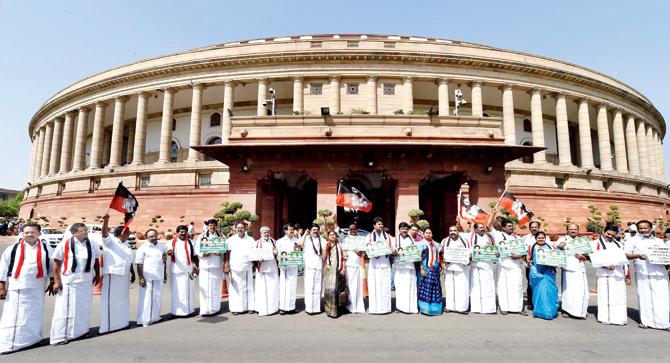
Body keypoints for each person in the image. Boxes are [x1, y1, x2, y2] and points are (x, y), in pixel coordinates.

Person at [0, 223, 53, 353]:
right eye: (26, 232)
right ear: (22, 234)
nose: (29, 235)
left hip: (38, 287)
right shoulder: (13, 249)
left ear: (39, 234)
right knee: (14, 315)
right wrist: (2, 287)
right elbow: (3, 268)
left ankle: (32, 339)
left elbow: (51, 266)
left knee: (34, 314)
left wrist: (53, 281)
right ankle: (9, 344)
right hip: (18, 286)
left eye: (32, 232)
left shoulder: (46, 248)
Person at [50, 223, 101, 345]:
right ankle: (59, 336)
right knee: (65, 310)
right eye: (83, 230)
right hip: (70, 281)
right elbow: (56, 264)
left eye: (86, 230)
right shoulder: (64, 244)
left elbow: (96, 261)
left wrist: (98, 275)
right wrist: (56, 281)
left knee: (83, 308)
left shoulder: (92, 243)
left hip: (86, 280)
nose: (86, 232)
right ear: (74, 233)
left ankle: (81, 332)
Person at [625, 220, 670, 330]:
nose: (643, 230)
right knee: (645, 297)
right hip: (643, 272)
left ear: (651, 228)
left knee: (662, 297)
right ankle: (646, 321)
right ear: (637, 229)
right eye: (641, 228)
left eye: (645, 228)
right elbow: (626, 254)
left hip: (659, 272)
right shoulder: (632, 240)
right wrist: (637, 255)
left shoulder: (659, 241)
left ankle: (663, 322)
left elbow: (665, 254)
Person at [99, 214, 135, 334]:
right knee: (111, 301)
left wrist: (132, 272)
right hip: (113, 274)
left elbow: (128, 260)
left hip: (124, 276)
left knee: (122, 300)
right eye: (128, 231)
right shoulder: (111, 242)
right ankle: (107, 327)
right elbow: (104, 234)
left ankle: (121, 323)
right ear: (123, 232)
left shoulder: (127, 244)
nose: (130, 233)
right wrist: (106, 221)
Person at [594, 225, 630, 325]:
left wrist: (627, 275)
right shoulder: (595, 244)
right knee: (604, 296)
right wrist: (605, 266)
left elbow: (625, 261)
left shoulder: (619, 244)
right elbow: (593, 258)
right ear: (603, 231)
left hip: (619, 274)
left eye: (613, 235)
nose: (610, 236)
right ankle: (605, 318)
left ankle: (619, 318)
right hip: (604, 274)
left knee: (619, 296)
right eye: (608, 234)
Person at [492, 218, 527, 316]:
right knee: (503, 287)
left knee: (517, 287)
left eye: (512, 226)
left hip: (515, 265)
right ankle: (504, 308)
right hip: (502, 265)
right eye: (509, 226)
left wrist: (518, 256)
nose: (511, 228)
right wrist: (494, 214)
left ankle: (518, 308)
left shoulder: (517, 238)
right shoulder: (498, 235)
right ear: (503, 227)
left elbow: (524, 252)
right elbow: (488, 225)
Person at [555, 223, 588, 319]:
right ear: (567, 231)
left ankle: (580, 312)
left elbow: (589, 255)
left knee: (580, 291)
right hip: (567, 269)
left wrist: (584, 256)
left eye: (575, 229)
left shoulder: (582, 241)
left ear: (578, 231)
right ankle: (567, 310)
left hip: (579, 268)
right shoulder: (562, 240)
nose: (573, 231)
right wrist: (559, 247)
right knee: (568, 291)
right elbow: (555, 253)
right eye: (571, 229)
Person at [135, 228, 168, 327]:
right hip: (147, 277)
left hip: (159, 276)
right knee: (146, 299)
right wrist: (141, 277)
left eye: (154, 235)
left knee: (157, 297)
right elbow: (139, 264)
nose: (153, 238)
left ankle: (155, 317)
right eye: (151, 236)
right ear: (146, 237)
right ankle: (144, 319)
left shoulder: (161, 247)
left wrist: (165, 273)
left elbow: (164, 260)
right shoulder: (143, 248)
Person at [464, 222, 497, 314]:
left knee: (488, 286)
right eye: (480, 227)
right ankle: (476, 308)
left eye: (483, 227)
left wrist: (496, 253)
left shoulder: (489, 237)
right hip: (475, 265)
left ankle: (489, 308)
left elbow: (494, 248)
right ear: (475, 229)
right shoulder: (470, 237)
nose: (483, 229)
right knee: (475, 288)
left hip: (487, 265)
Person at [167, 225, 199, 317]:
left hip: (188, 270)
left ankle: (189, 311)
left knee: (189, 290)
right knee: (176, 291)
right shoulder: (171, 242)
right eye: (181, 231)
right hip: (176, 271)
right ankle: (176, 312)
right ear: (177, 232)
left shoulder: (191, 242)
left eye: (185, 231)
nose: (183, 233)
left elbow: (194, 256)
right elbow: (169, 251)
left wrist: (198, 267)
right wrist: (169, 252)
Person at [225, 222, 255, 315]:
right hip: (235, 266)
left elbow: (254, 253)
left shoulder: (251, 239)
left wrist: (254, 264)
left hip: (248, 266)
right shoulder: (230, 240)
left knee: (248, 287)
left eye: (242, 228)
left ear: (245, 229)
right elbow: (226, 253)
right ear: (235, 229)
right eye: (238, 228)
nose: (240, 229)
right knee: (236, 288)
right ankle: (236, 308)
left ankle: (250, 307)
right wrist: (226, 265)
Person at [366, 217, 394, 314]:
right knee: (374, 286)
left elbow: (393, 249)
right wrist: (373, 253)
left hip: (385, 264)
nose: (381, 225)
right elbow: (367, 249)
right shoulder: (369, 236)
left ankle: (385, 308)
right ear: (374, 225)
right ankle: (374, 308)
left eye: (382, 224)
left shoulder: (388, 237)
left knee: (385, 286)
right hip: (374, 264)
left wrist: (393, 251)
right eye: (379, 224)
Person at [528, 232, 559, 320]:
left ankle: (551, 311)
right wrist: (530, 264)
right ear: (536, 239)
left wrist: (556, 263)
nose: (541, 239)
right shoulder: (532, 247)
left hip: (548, 272)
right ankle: (540, 311)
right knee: (539, 292)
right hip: (537, 273)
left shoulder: (550, 247)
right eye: (539, 238)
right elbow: (527, 259)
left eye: (543, 238)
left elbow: (556, 257)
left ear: (545, 238)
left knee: (551, 291)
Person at [196, 219, 224, 316]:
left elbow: (224, 249)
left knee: (216, 286)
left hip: (216, 265)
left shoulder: (221, 236)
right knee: (205, 286)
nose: (212, 227)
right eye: (210, 225)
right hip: (205, 265)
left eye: (214, 225)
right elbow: (197, 250)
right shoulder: (202, 236)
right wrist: (203, 254)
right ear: (208, 226)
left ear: (216, 226)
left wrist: (220, 252)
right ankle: (205, 309)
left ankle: (215, 308)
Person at [441, 225, 470, 314]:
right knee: (449, 287)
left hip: (461, 268)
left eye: (455, 230)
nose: (453, 232)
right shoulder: (445, 241)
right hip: (449, 268)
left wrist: (468, 259)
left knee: (462, 287)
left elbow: (470, 252)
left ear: (458, 231)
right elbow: (441, 252)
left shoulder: (464, 240)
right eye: (451, 231)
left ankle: (462, 307)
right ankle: (449, 306)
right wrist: (443, 259)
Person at [298, 223, 323, 314]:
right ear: (310, 230)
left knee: (317, 288)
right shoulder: (307, 238)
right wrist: (305, 234)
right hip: (309, 266)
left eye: (317, 229)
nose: (315, 231)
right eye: (313, 230)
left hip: (319, 266)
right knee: (309, 287)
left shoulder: (321, 239)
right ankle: (309, 308)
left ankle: (316, 308)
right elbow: (299, 244)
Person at [254, 226, 279, 316]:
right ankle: (261, 308)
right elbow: (253, 255)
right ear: (261, 233)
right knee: (262, 289)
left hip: (272, 267)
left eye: (268, 232)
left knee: (273, 288)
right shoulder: (256, 243)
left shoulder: (274, 241)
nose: (267, 234)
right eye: (265, 232)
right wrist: (258, 258)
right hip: (262, 268)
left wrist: (276, 252)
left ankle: (273, 308)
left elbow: (278, 253)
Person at [417, 228, 442, 315]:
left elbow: (440, 255)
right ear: (423, 234)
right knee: (425, 287)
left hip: (435, 269)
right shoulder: (420, 244)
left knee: (435, 287)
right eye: (426, 233)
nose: (428, 234)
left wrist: (441, 266)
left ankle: (435, 309)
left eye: (430, 233)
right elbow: (419, 257)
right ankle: (425, 308)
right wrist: (421, 269)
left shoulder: (436, 244)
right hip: (425, 268)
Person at [394, 222, 418, 314]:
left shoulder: (411, 239)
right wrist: (396, 251)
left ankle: (411, 308)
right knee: (400, 287)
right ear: (399, 229)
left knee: (410, 287)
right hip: (399, 267)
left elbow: (415, 249)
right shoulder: (395, 239)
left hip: (410, 266)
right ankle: (400, 307)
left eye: (406, 229)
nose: (404, 230)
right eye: (402, 229)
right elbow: (392, 251)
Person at [322, 230, 347, 318]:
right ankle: (329, 310)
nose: (332, 236)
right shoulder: (327, 245)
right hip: (329, 270)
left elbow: (344, 257)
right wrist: (326, 248)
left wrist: (343, 268)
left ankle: (338, 309)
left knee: (338, 290)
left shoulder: (340, 245)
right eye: (330, 235)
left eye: (334, 235)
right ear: (328, 236)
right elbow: (323, 258)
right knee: (330, 290)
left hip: (338, 269)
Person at [276, 223, 298, 315]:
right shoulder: (280, 241)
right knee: (284, 286)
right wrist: (279, 262)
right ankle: (283, 307)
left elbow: (299, 253)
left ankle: (291, 307)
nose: (292, 231)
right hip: (284, 266)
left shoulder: (296, 240)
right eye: (290, 229)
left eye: (292, 229)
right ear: (285, 231)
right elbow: (277, 254)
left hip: (293, 266)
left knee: (292, 286)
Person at [344, 224, 365, 314]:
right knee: (350, 286)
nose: (353, 231)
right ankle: (350, 305)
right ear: (349, 230)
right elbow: (343, 252)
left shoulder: (361, 240)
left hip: (358, 265)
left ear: (357, 230)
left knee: (358, 287)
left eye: (354, 229)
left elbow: (365, 253)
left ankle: (358, 306)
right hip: (349, 266)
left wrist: (361, 253)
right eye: (351, 229)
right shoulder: (345, 239)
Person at [522, 221, 540, 310]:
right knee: (530, 283)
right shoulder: (525, 238)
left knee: (540, 283)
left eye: (536, 227)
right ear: (529, 228)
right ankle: (530, 301)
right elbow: (521, 249)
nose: (534, 229)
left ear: (538, 228)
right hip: (529, 265)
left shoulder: (544, 237)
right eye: (532, 227)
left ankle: (539, 301)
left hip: (541, 266)